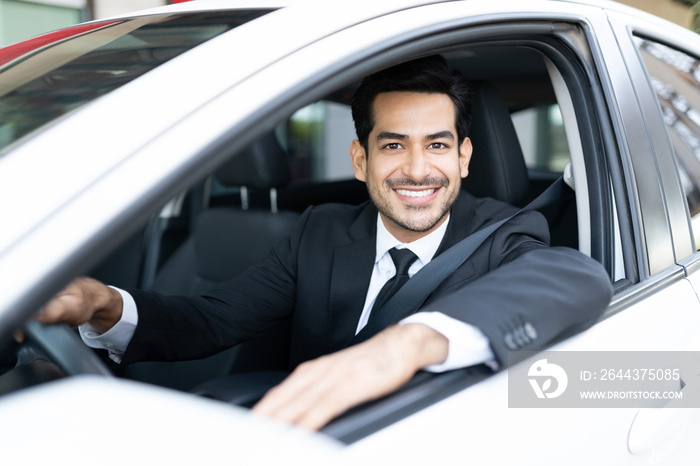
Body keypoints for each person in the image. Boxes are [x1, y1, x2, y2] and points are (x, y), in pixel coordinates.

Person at [37, 55, 612, 430]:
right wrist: (103, 304)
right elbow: (212, 320)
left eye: (437, 146)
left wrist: (405, 345)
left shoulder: (504, 232)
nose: (417, 170)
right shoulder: (322, 228)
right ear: (359, 159)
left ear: (463, 157)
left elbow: (577, 276)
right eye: (393, 146)